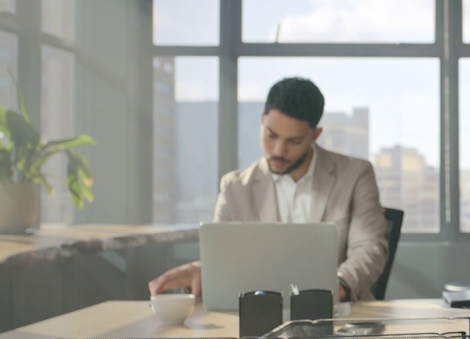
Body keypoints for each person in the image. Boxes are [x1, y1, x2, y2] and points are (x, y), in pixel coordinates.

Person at [149, 77, 388, 302]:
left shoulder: (354, 174)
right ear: (262, 120)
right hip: (260, 314)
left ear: (315, 135)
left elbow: (369, 247)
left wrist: (339, 284)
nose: (278, 151)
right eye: (271, 135)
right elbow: (225, 259)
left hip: (336, 314)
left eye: (294, 141)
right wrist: (203, 270)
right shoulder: (234, 188)